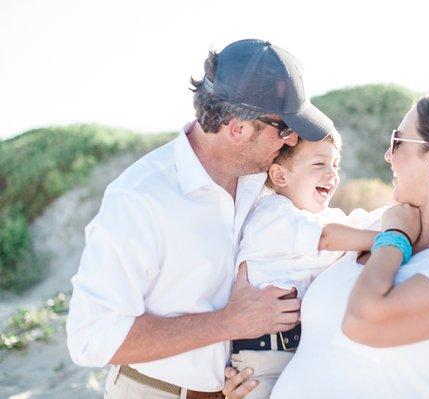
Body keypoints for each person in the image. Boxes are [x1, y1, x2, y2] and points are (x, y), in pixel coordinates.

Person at [222, 92, 429, 398]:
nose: (387, 155)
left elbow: (362, 322)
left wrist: (394, 241)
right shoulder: (371, 225)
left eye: (397, 141)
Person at [66, 38, 335, 399]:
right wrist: (229, 323)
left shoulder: (265, 183)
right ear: (238, 127)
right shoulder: (140, 198)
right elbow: (93, 338)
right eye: (284, 128)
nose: (291, 141)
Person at [231, 129, 384, 399]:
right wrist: (387, 241)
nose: (332, 173)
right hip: (262, 361)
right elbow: (326, 237)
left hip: (297, 353)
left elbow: (359, 221)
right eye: (319, 164)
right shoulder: (273, 214)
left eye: (335, 165)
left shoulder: (320, 216)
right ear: (280, 176)